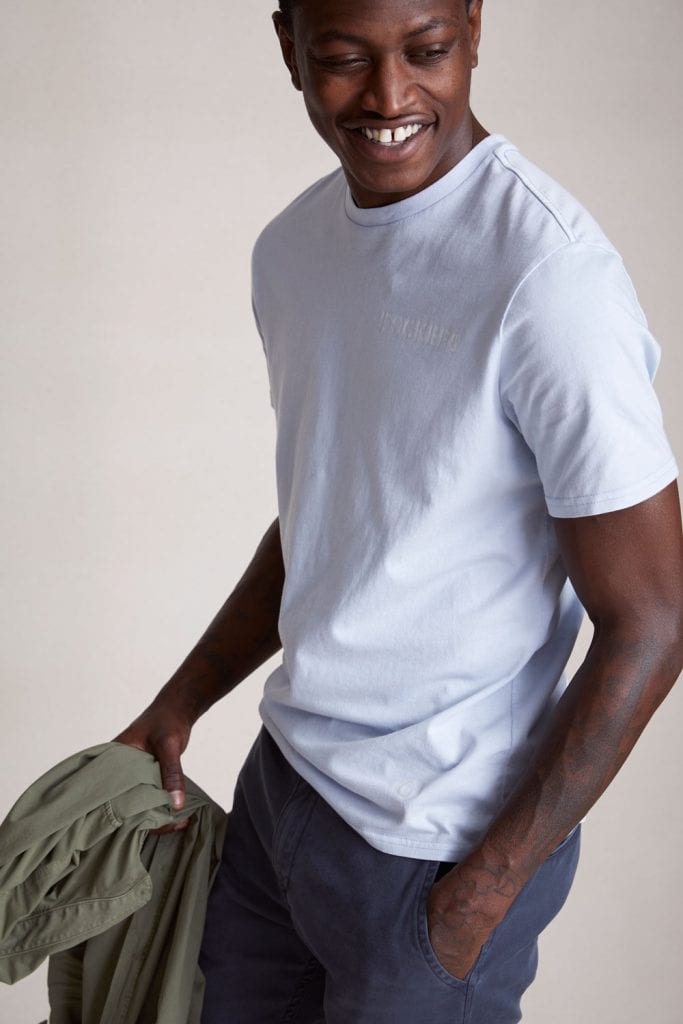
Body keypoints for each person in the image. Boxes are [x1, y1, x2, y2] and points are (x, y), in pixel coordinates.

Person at [114, 1, 683, 1021]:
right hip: (284, 794)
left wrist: (478, 896)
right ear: (288, 47)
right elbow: (335, 521)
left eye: (426, 51)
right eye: (342, 57)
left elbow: (653, 618)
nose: (387, 96)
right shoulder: (293, 249)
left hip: (434, 852)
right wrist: (181, 700)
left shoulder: (550, 279)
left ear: (473, 26)